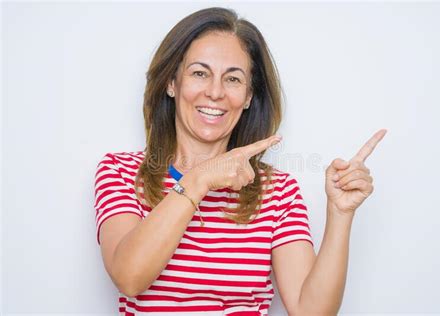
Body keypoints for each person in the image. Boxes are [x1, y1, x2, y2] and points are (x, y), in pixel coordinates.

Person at [93, 7, 387, 316]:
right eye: (199, 73)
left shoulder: (278, 191)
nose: (215, 92)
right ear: (172, 83)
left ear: (248, 96)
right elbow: (129, 278)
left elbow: (311, 312)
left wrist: (340, 214)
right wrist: (199, 179)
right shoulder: (121, 172)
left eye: (233, 79)